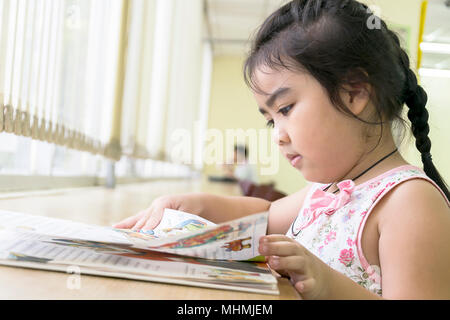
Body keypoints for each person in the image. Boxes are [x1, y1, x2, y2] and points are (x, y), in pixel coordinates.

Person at [114, 0, 450, 299]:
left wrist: (327, 284)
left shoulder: (410, 202)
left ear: (354, 93)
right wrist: (197, 204)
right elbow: (265, 215)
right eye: (270, 121)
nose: (278, 136)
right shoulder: (326, 191)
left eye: (285, 109)